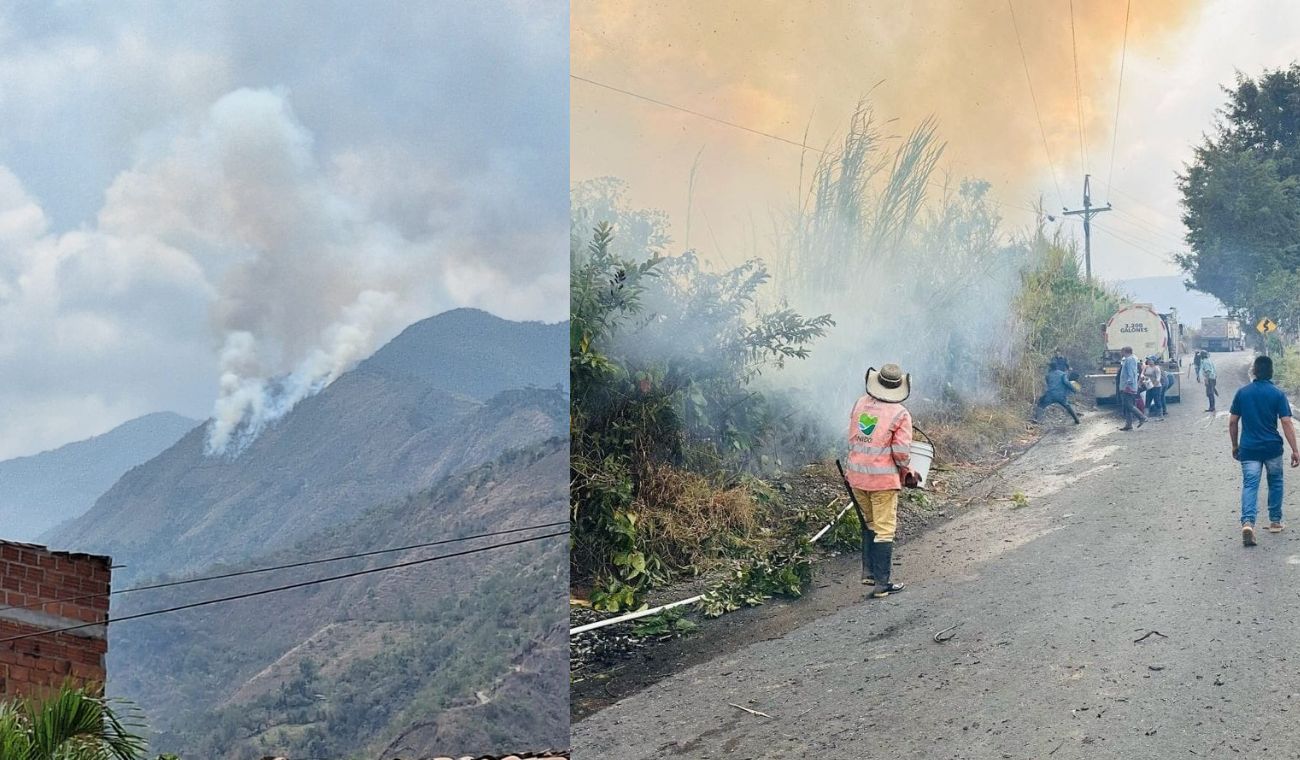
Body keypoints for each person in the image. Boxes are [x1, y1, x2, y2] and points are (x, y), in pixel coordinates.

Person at [845, 363, 916, 598]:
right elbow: (901, 452)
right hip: (882, 481)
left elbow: (854, 437)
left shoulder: (860, 403)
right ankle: (882, 584)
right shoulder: (900, 413)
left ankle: (870, 574)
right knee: (884, 528)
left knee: (870, 524)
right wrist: (908, 472)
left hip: (856, 477)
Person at [1229, 355, 1300, 546]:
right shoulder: (1277, 394)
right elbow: (1286, 422)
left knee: (1250, 485)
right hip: (1272, 449)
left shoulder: (1242, 393)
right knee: (1275, 482)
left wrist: (1235, 445)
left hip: (1249, 448)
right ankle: (1275, 521)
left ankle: (1248, 523)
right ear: (1271, 372)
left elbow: (1233, 421)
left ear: (1254, 371)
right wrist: (1295, 450)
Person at [1118, 346, 1146, 431]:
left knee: (1128, 404)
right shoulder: (1132, 359)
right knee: (1127, 405)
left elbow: (1131, 374)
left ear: (1124, 351)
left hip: (1128, 386)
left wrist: (1127, 385)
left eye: (1121, 351)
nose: (1121, 353)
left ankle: (1142, 417)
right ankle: (1128, 424)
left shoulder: (1129, 360)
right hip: (1129, 386)